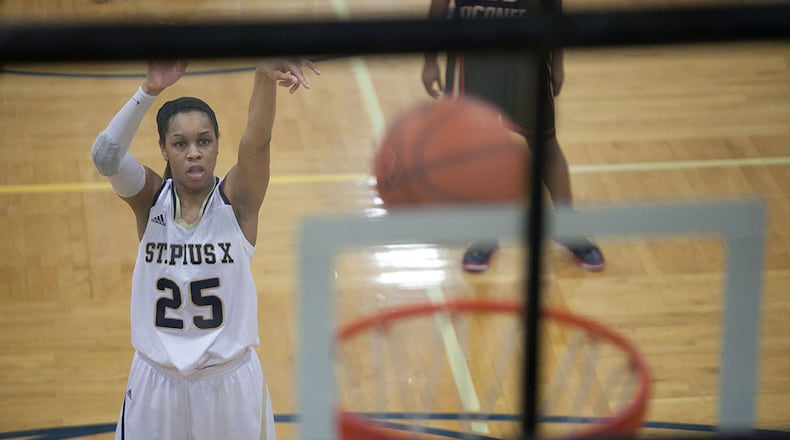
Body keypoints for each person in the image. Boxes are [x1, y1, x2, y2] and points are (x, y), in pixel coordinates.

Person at [90, 58, 320, 439]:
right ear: (163, 149)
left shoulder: (237, 202)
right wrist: (148, 90)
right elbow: (105, 156)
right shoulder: (150, 200)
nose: (194, 152)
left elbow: (257, 140)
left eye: (204, 141)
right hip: (155, 382)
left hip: (228, 383)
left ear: (216, 146)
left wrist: (263, 77)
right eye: (180, 144)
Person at [421, 0, 605, 273]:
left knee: (544, 142)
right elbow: (439, 6)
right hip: (472, 56)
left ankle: (567, 226)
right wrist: (430, 61)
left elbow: (553, 8)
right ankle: (485, 234)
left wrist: (558, 61)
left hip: (526, 54)